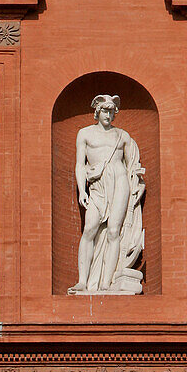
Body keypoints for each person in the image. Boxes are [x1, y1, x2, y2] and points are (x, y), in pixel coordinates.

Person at [68, 94, 145, 295]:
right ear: (97, 111)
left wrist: (138, 184)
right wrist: (82, 190)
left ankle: (107, 283)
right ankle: (82, 281)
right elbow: (79, 165)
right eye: (105, 110)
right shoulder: (84, 134)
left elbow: (133, 165)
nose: (108, 114)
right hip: (97, 186)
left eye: (111, 111)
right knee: (90, 228)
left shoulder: (122, 136)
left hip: (119, 182)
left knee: (113, 231)